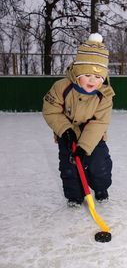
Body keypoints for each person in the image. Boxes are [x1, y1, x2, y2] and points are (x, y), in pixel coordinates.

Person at [42, 33, 115, 207]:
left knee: (99, 165)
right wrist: (65, 131)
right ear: (77, 71)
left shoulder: (104, 95)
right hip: (67, 135)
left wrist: (83, 147)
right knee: (69, 168)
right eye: (88, 75)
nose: (93, 80)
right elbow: (50, 110)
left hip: (94, 137)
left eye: (98, 77)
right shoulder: (61, 87)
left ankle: (100, 188)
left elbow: (100, 122)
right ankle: (74, 196)